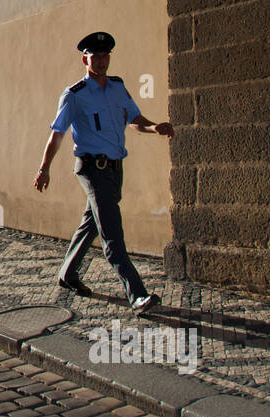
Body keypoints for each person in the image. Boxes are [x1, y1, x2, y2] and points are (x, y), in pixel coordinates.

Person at [33, 31, 174, 316]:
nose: (100, 61)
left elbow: (134, 119)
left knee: (92, 222)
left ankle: (68, 273)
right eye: (94, 56)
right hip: (91, 169)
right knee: (112, 230)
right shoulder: (74, 96)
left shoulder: (118, 87)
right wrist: (43, 169)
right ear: (85, 59)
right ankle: (137, 294)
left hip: (114, 169)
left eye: (105, 55)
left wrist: (153, 127)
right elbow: (57, 134)